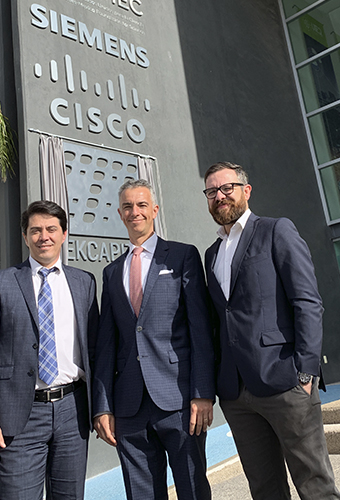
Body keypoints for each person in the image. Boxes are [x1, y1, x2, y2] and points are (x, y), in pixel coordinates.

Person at [203, 162, 340, 500]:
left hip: (285, 382)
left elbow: (308, 302)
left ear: (246, 191)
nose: (219, 196)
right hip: (236, 393)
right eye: (211, 192)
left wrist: (306, 370)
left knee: (315, 484)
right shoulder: (212, 254)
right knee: (264, 489)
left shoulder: (276, 231)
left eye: (227, 188)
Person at [93, 179, 215, 500]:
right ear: (120, 214)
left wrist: (203, 393)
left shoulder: (182, 256)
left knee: (192, 488)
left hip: (178, 400)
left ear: (154, 211)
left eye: (142, 205)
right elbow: (107, 345)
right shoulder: (111, 272)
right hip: (129, 407)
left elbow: (200, 330)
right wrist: (102, 407)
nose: (136, 212)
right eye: (129, 207)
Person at [0, 200, 99, 500]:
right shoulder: (0, 284)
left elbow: (95, 350)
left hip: (73, 411)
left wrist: (101, 408)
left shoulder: (84, 283)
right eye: (36, 230)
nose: (44, 237)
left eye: (52, 229)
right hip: (19, 416)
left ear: (64, 234)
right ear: (26, 237)